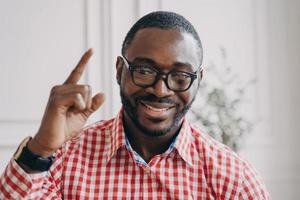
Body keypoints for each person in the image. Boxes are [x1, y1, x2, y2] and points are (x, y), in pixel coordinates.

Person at [0, 11, 270, 199]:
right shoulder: (63, 159)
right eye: (144, 71)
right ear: (120, 70)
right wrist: (41, 148)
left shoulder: (234, 178)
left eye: (179, 76)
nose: (160, 90)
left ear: (198, 80)